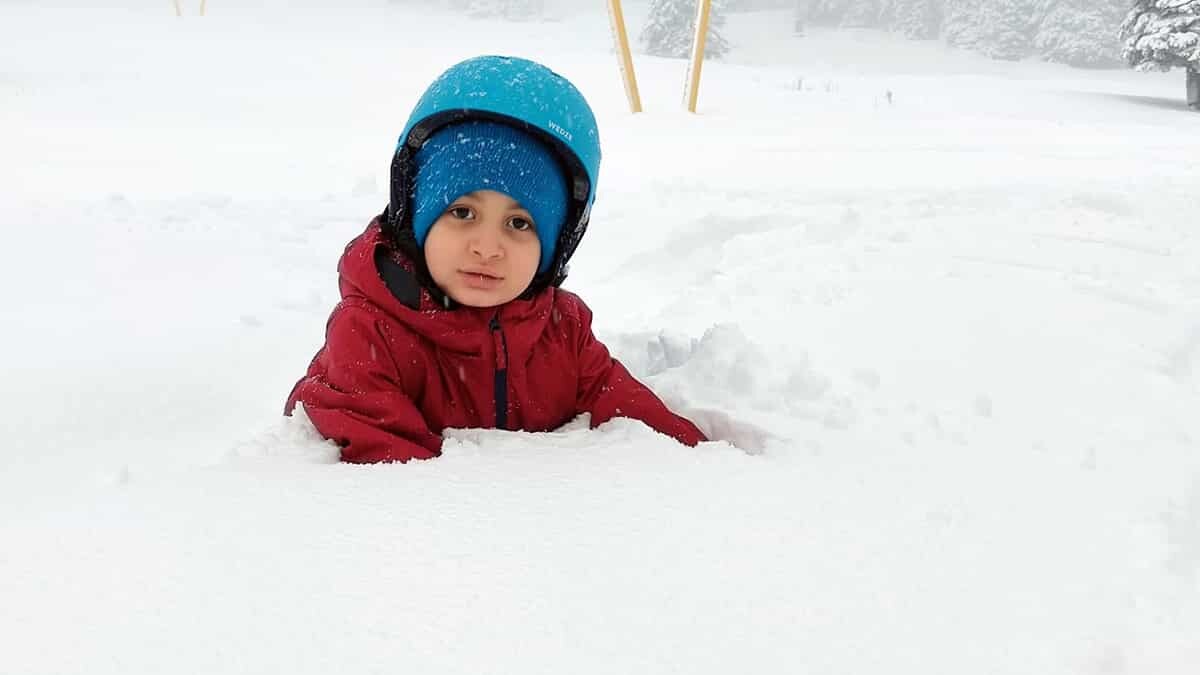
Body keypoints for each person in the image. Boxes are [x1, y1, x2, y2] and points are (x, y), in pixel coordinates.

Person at [285, 55, 707, 463]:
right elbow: (384, 466)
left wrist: (709, 467)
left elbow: (641, 423)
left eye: (520, 224)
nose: (487, 248)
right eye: (462, 213)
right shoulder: (371, 333)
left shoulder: (562, 332)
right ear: (413, 214)